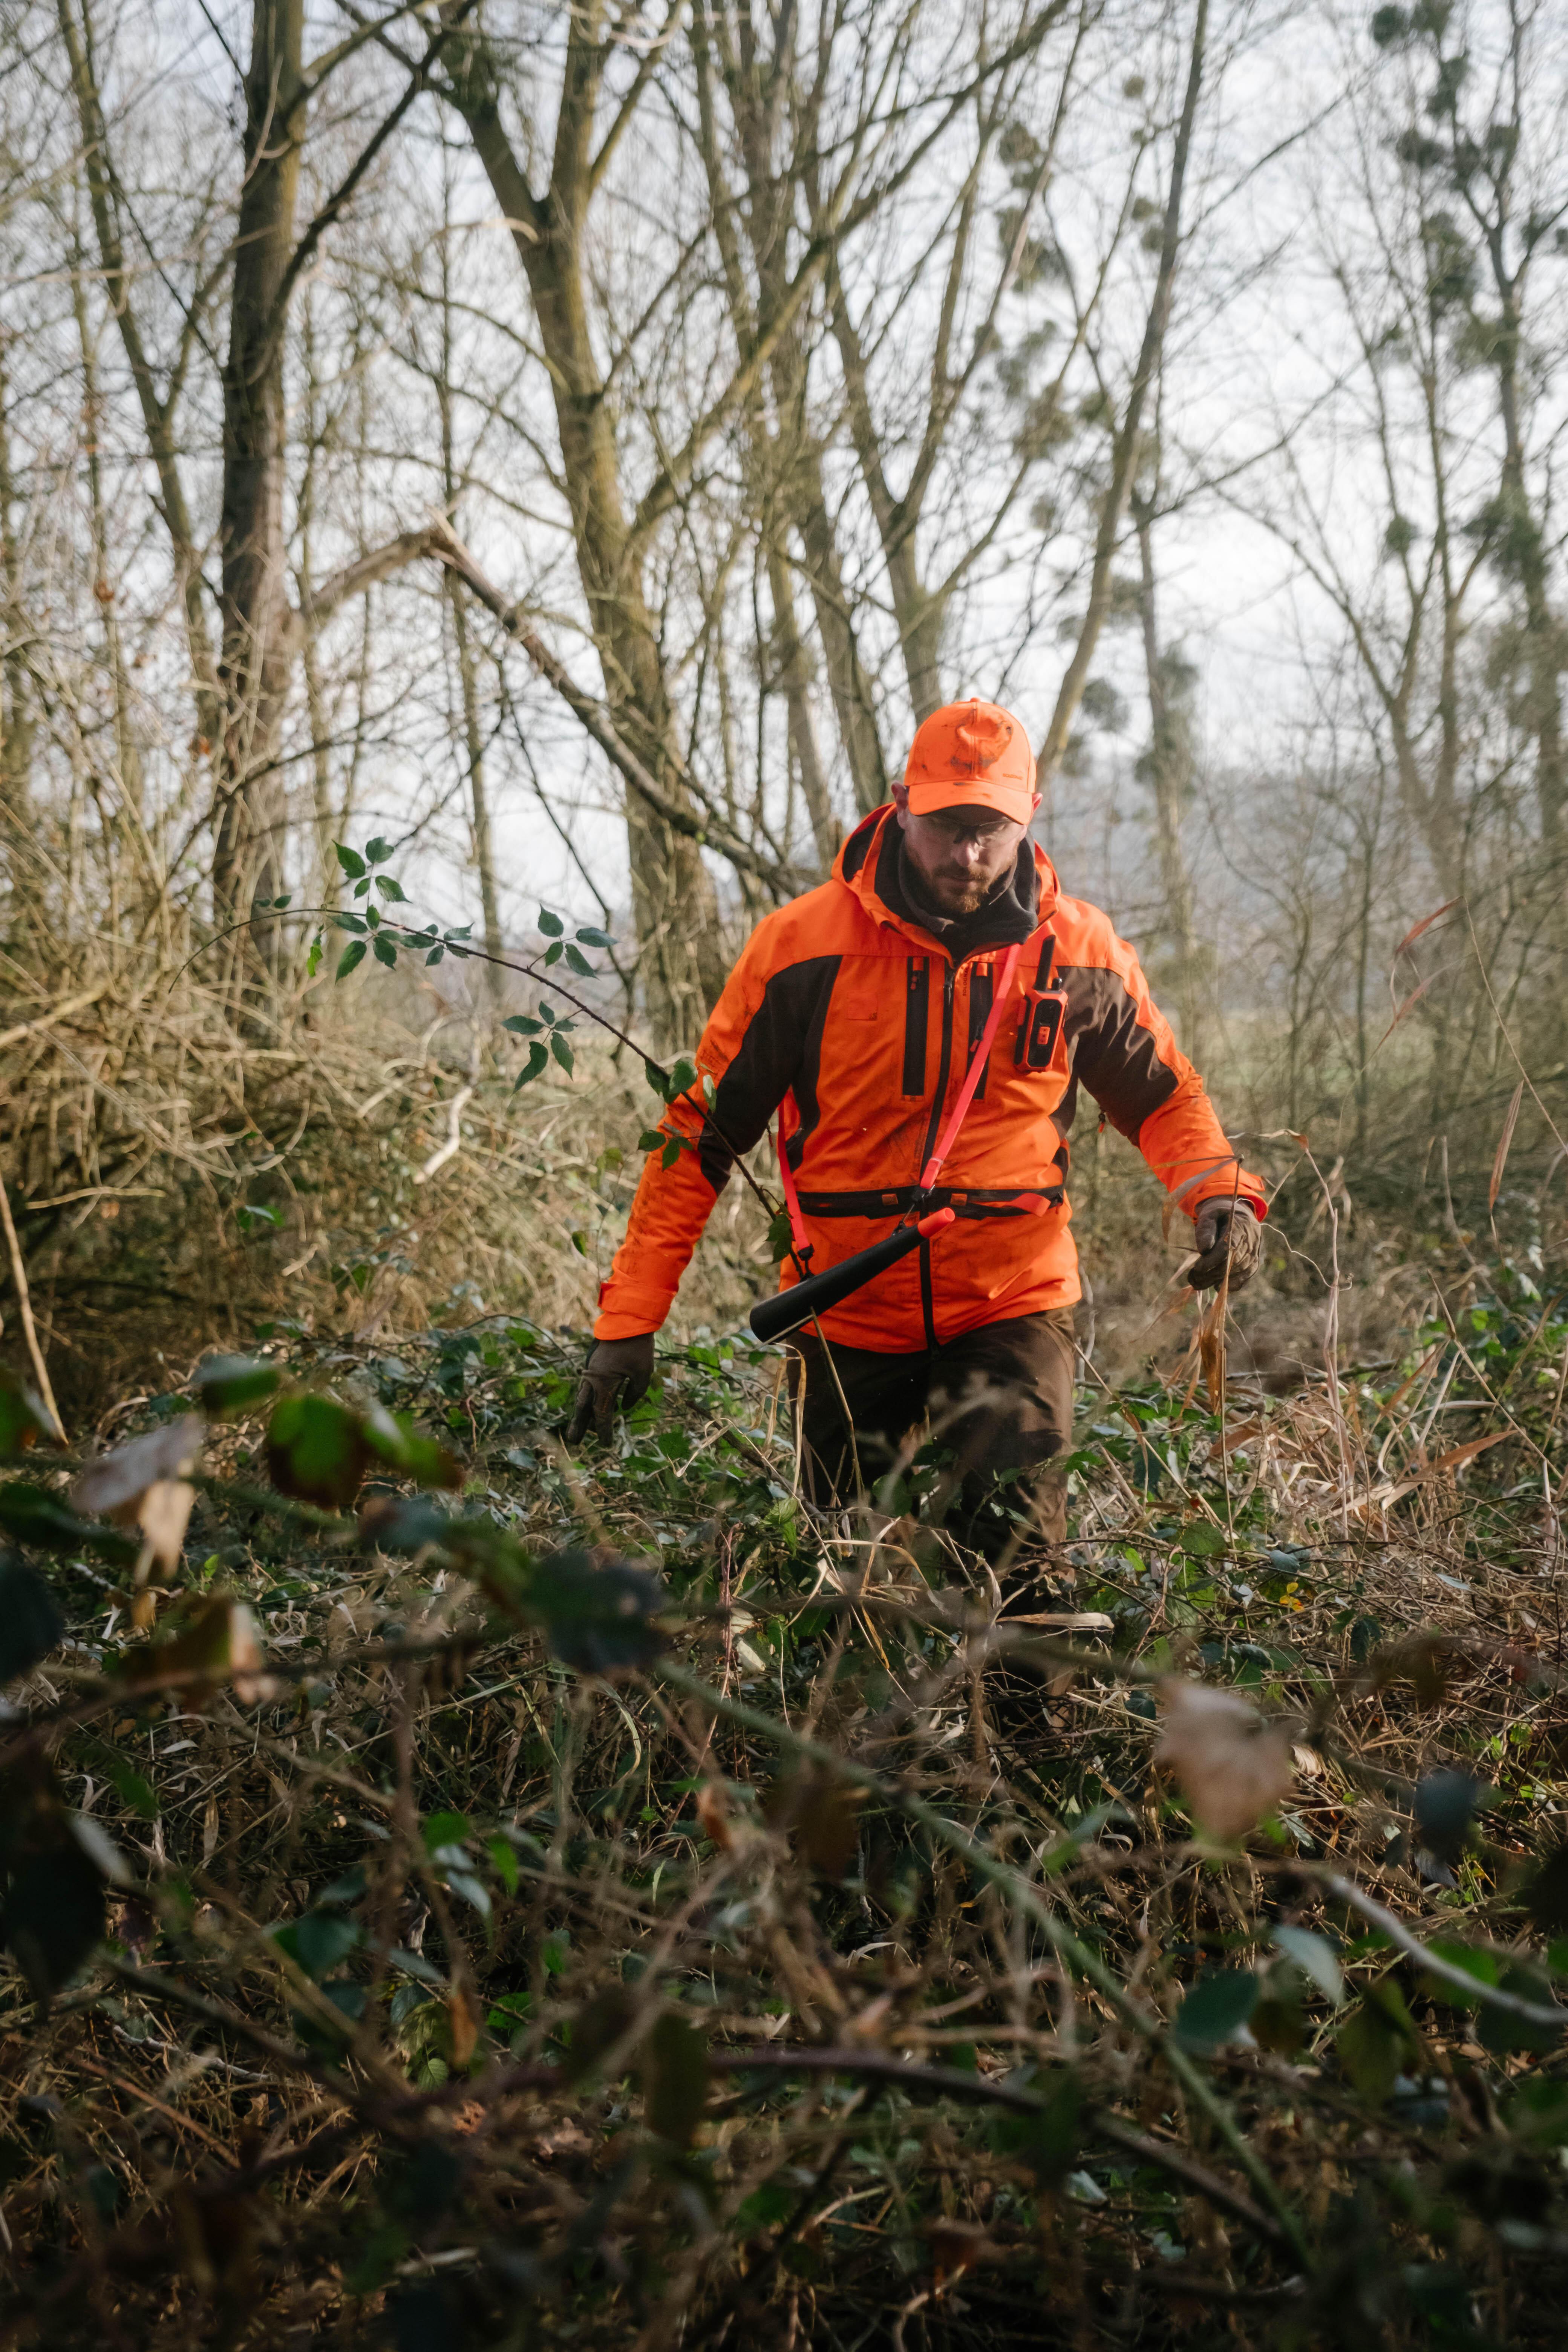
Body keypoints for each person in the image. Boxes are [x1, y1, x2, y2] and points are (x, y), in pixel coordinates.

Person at [568, 697, 1266, 1557]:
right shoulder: (799, 949)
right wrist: (628, 1325)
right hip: (846, 1311)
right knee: (842, 1573)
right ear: (900, 802)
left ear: (1028, 819)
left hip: (1011, 1300)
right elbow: (698, 1141)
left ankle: (1015, 1691)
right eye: (943, 827)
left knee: (1017, 1556)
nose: (966, 856)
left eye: (990, 830)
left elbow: (1162, 1099)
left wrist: (1221, 1194)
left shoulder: (1078, 953)